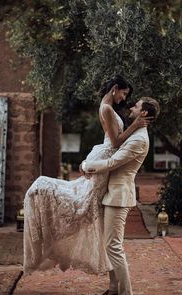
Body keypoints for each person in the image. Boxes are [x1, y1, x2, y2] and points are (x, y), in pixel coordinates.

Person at [23, 75, 148, 275]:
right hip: (104, 159)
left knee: (88, 206)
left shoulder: (107, 107)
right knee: (83, 203)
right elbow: (116, 143)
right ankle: (53, 230)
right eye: (124, 94)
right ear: (115, 88)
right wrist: (134, 126)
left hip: (104, 159)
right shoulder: (106, 108)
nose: (124, 99)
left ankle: (114, 281)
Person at [81, 97, 160, 295]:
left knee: (114, 247)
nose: (131, 106)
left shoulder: (140, 140)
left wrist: (85, 165)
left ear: (143, 113)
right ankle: (114, 289)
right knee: (111, 246)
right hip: (112, 194)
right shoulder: (135, 134)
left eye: (136, 105)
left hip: (119, 196)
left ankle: (125, 293)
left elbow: (112, 163)